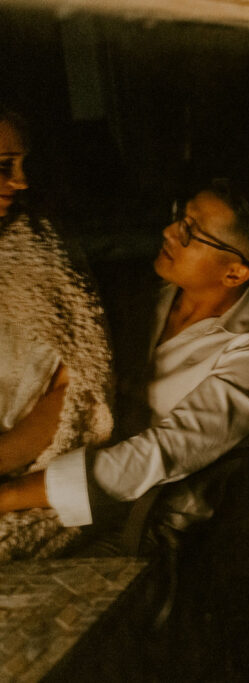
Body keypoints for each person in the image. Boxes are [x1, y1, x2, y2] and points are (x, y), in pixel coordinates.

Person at [0, 179, 249, 541]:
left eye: (190, 232)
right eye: (179, 217)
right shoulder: (141, 301)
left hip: (135, 526)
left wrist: (8, 496)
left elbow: (160, 454)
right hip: (39, 483)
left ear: (234, 272)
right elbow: (74, 391)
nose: (169, 232)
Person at [0, 107, 114, 560]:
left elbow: (79, 390)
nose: (22, 181)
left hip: (20, 482)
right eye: (4, 167)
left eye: (24, 164)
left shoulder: (41, 251)